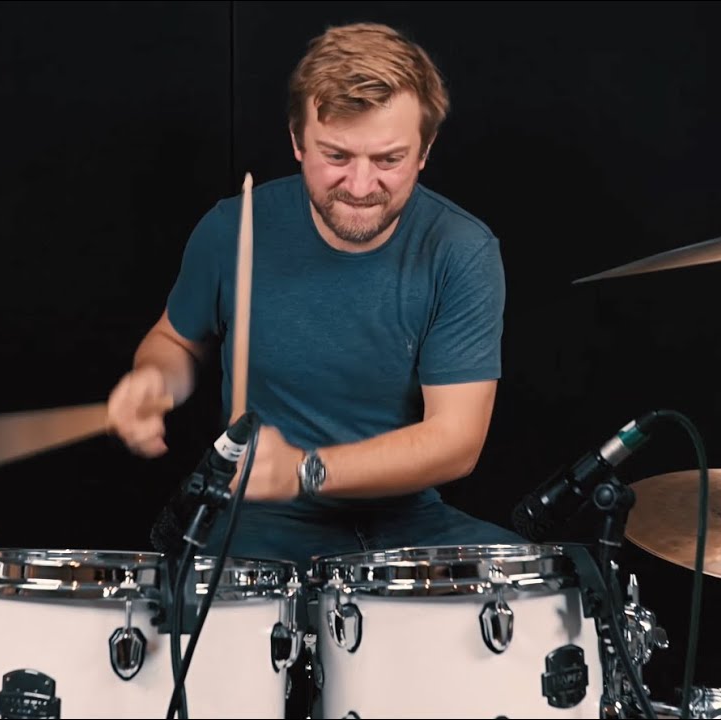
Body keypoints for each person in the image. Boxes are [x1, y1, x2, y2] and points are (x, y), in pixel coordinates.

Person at [106, 21, 526, 576]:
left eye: (388, 160)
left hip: (405, 518)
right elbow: (176, 342)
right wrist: (154, 379)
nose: (360, 185)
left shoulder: (461, 249)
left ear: (425, 150)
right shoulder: (233, 228)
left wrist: (306, 470)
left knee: (547, 588)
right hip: (260, 515)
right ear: (298, 142)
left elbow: (455, 441)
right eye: (336, 155)